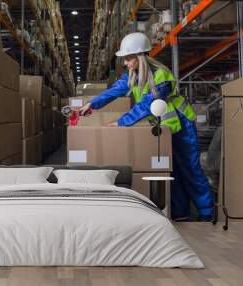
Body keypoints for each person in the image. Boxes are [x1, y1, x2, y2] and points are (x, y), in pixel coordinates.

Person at [79, 32, 214, 221]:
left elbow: (147, 105)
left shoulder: (161, 76)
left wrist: (121, 122)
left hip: (181, 126)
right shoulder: (133, 76)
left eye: (128, 59)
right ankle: (180, 211)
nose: (125, 63)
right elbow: (113, 91)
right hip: (163, 128)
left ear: (139, 57)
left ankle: (206, 212)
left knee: (190, 169)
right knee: (170, 170)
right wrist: (91, 104)